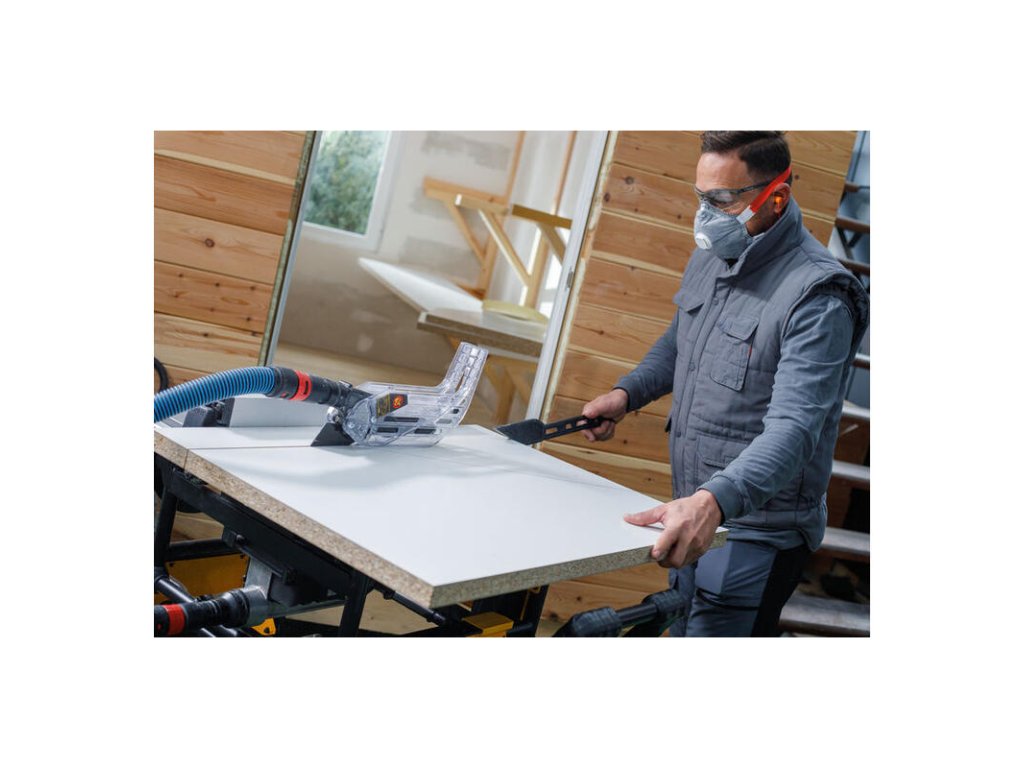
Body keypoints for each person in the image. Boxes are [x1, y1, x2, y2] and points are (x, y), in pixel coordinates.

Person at [581, 131, 869, 636]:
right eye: (701, 197)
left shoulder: (819, 297)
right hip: (693, 508)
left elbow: (795, 430)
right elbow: (680, 343)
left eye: (721, 200)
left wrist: (713, 501)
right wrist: (627, 394)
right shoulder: (713, 256)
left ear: (776, 197)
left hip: (756, 532)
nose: (705, 215)